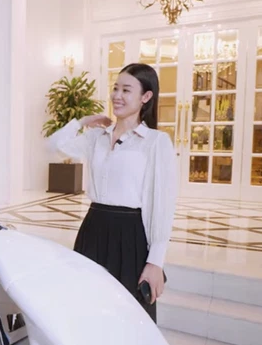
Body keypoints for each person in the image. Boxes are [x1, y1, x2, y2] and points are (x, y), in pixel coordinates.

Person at [48, 62, 178, 321]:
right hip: (93, 230)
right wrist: (83, 121)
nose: (117, 95)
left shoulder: (156, 142)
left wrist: (155, 261)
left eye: (126, 90)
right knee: (86, 312)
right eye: (115, 88)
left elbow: (162, 205)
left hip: (130, 236)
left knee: (128, 319)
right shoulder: (96, 137)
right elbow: (53, 146)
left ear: (146, 97)